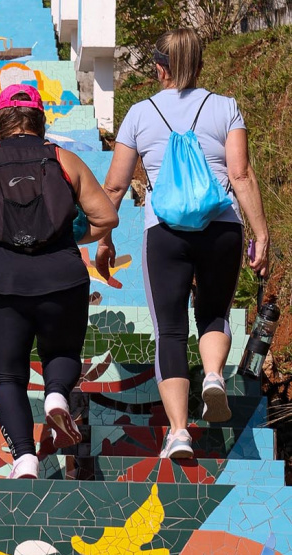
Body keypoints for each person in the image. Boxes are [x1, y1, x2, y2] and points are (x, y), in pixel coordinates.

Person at [95, 28, 270, 459]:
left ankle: (178, 433)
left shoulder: (139, 113)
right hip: (222, 228)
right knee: (214, 314)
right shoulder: (226, 108)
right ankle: (212, 375)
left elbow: (115, 186)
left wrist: (103, 239)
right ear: (199, 63)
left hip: (165, 232)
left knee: (170, 331)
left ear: (160, 66)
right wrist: (261, 232)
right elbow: (241, 175)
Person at [0, 85, 118, 479]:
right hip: (63, 277)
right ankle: (56, 396)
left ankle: (25, 459)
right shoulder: (64, 159)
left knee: (7, 376)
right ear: (40, 120)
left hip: (3, 282)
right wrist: (71, 235)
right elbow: (106, 217)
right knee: (63, 351)